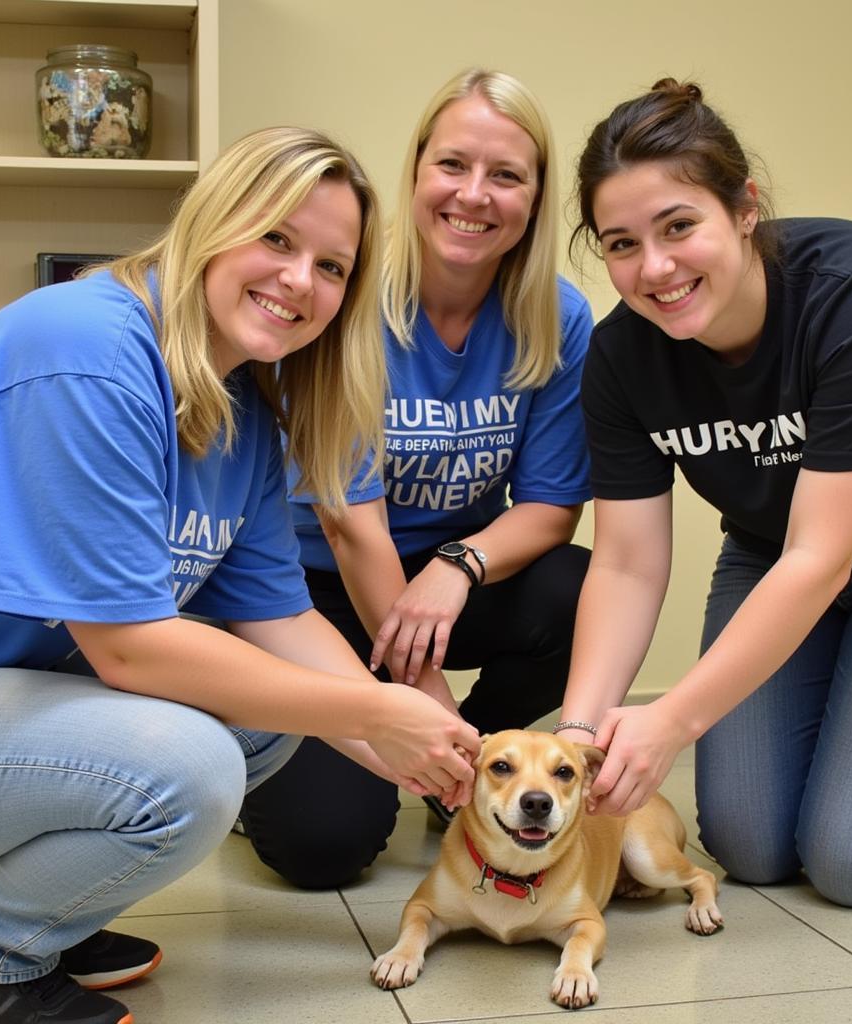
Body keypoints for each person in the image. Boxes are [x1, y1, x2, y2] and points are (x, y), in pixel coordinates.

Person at [0, 126, 479, 1024]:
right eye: (278, 239)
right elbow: (133, 654)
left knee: (270, 720)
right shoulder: (86, 349)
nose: (301, 281)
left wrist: (430, 752)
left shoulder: (244, 408)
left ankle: (28, 907)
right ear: (214, 223)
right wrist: (376, 711)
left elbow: (278, 621)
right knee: (193, 766)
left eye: (333, 268)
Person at [558, 77, 852, 909]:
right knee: (750, 846)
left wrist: (672, 721)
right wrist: (580, 733)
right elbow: (626, 563)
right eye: (621, 244)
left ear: (744, 208)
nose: (654, 268)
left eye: (679, 226)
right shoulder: (622, 358)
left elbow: (821, 558)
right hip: (769, 556)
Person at [237, 69, 594, 889]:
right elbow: (348, 523)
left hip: (448, 588)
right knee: (323, 851)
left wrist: (457, 565)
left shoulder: (559, 317)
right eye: (453, 165)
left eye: (506, 175)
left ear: (534, 199)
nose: (475, 195)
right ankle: (279, 755)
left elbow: (549, 510)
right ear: (415, 170)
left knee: (577, 589)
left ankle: (475, 777)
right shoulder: (345, 296)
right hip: (317, 595)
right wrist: (421, 695)